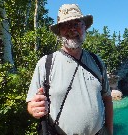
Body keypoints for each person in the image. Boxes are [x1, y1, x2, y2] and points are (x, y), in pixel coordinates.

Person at [26, 4, 113, 135]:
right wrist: (33, 109)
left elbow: (107, 99)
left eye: (77, 24)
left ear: (85, 28)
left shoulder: (97, 61)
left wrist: (110, 131)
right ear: (59, 31)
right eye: (66, 25)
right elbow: (32, 104)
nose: (72, 29)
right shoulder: (45, 64)